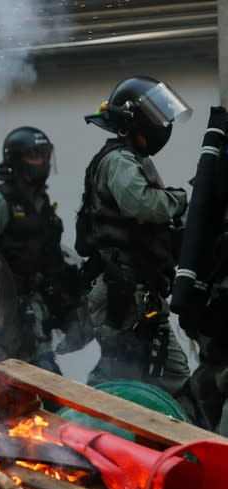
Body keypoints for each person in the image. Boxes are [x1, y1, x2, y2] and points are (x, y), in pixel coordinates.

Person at [79, 76, 190, 395]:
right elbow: (145, 205)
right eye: (156, 114)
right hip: (123, 292)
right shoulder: (119, 161)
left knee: (173, 379)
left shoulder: (131, 160)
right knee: (116, 384)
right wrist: (179, 199)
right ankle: (81, 435)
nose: (163, 123)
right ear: (134, 120)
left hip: (139, 292)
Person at [0, 126, 71, 375]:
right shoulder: (0, 202)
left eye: (43, 155)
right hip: (2, 306)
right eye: (33, 156)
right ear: (16, 160)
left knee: (45, 371)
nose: (40, 162)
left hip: (35, 303)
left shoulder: (41, 202)